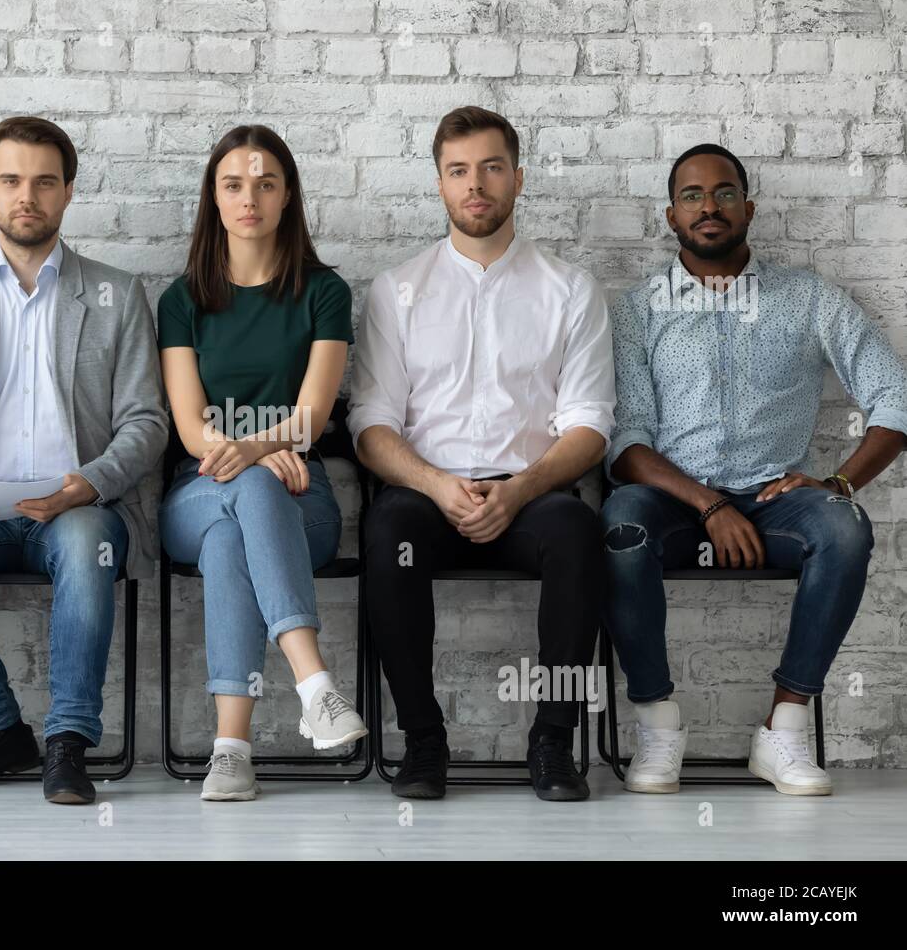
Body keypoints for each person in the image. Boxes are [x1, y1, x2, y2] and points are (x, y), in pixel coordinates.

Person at [602, 143, 907, 796]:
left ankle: (784, 730)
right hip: (675, 500)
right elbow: (627, 445)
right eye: (692, 195)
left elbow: (895, 398)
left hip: (778, 499)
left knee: (847, 528)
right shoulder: (639, 307)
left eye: (723, 192)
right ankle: (658, 724)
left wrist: (840, 482)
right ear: (670, 215)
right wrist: (710, 505)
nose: (708, 205)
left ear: (749, 207)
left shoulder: (808, 298)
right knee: (621, 523)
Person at [0, 116, 167, 804]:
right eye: (11, 180)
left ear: (69, 192)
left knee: (83, 549)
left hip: (79, 506)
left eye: (45, 181)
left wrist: (90, 483)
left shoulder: (117, 293)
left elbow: (146, 421)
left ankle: (67, 742)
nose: (28, 196)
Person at [351, 106, 615, 802]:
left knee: (579, 532)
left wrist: (520, 491)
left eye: (492, 168)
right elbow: (372, 424)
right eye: (459, 171)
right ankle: (423, 743)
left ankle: (553, 743)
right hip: (428, 497)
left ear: (518, 178)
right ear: (439, 184)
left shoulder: (570, 288)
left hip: (532, 499)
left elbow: (589, 428)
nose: (477, 185)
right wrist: (438, 486)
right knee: (387, 532)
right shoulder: (396, 289)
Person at [157, 124, 368, 802]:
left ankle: (231, 749)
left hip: (301, 505)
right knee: (235, 501)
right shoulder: (181, 300)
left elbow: (313, 416)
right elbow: (192, 430)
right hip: (197, 491)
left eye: (266, 183)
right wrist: (256, 456)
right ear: (213, 199)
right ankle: (314, 683)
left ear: (287, 197)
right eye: (234, 184)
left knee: (230, 543)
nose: (250, 197)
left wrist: (257, 448)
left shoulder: (325, 292)